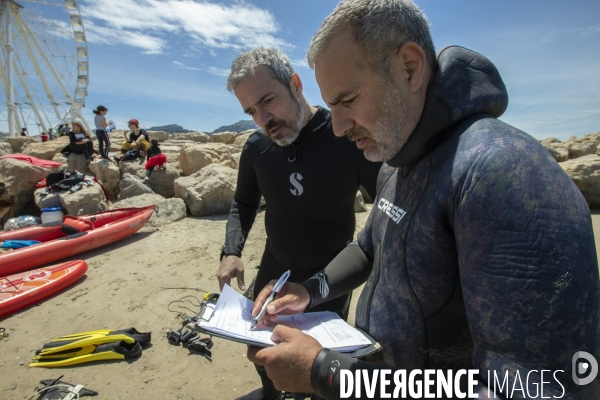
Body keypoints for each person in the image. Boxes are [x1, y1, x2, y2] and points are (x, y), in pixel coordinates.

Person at [247, 1, 600, 399]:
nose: (339, 126)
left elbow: (543, 389)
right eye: (331, 107)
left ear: (410, 68)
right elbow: (369, 247)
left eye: (347, 100)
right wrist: (309, 290)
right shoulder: (398, 157)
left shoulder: (503, 174)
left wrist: (328, 375)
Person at [219, 47, 381, 400]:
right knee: (261, 353)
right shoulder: (256, 148)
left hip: (329, 279)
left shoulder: (346, 137)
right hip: (273, 270)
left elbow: (386, 211)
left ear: (296, 83)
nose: (262, 118)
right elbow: (244, 202)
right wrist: (231, 251)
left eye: (268, 101)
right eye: (251, 111)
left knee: (313, 370)